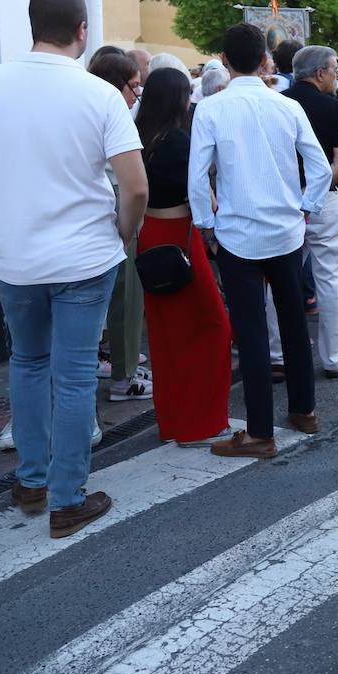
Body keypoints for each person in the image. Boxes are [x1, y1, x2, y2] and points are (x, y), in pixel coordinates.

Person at [0, 0, 148, 538]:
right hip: (85, 256)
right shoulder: (98, 95)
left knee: (28, 365)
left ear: (32, 25)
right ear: (82, 31)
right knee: (75, 377)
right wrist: (122, 234)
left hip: (16, 260)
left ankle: (31, 480)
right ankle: (67, 499)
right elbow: (135, 188)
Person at [188, 22, 331, 459]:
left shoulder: (211, 110)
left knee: (251, 332)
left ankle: (260, 431)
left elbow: (197, 177)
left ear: (225, 61)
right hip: (286, 230)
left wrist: (206, 225)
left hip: (237, 233)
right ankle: (304, 410)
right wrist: (305, 207)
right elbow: (321, 169)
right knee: (293, 323)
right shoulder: (286, 106)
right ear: (264, 60)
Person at [133, 67, 233, 445]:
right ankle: (201, 423)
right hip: (180, 234)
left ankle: (174, 420)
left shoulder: (141, 135)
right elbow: (196, 193)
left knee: (165, 335)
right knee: (212, 326)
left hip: (150, 234)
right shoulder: (178, 140)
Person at [278, 44, 338, 379]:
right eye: (335, 70)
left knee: (278, 278)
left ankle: (277, 353)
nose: (337, 77)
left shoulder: (278, 103)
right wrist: (316, 192)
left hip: (283, 200)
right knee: (330, 279)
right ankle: (334, 357)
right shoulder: (331, 107)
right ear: (320, 73)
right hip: (323, 198)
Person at [88, 51, 153, 402]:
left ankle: (118, 366)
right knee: (125, 294)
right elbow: (136, 185)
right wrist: (129, 229)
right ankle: (123, 377)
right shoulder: (112, 109)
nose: (136, 95)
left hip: (95, 203)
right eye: (134, 86)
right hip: (115, 199)